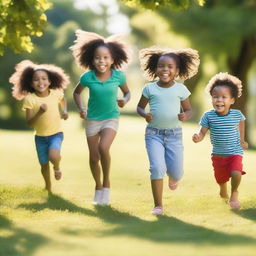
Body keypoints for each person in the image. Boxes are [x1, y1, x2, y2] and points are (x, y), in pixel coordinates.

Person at [137, 46, 200, 215]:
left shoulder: (181, 89)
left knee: (177, 173)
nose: (165, 69)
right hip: (153, 134)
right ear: (155, 68)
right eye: (161, 66)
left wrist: (185, 116)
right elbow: (139, 107)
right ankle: (158, 205)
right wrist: (145, 114)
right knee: (157, 168)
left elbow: (189, 110)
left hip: (174, 136)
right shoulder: (149, 89)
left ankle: (174, 178)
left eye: (170, 66)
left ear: (177, 70)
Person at [70, 30, 131, 205]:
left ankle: (107, 184)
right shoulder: (87, 77)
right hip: (92, 120)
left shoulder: (118, 76)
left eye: (105, 57)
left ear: (112, 60)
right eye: (98, 57)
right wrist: (81, 108)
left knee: (104, 148)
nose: (101, 61)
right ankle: (97, 186)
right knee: (94, 156)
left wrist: (124, 100)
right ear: (92, 59)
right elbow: (76, 93)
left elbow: (127, 93)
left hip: (111, 118)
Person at [9, 60, 69, 192]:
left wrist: (64, 111)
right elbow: (29, 122)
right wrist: (40, 113)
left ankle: (57, 167)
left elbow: (63, 99)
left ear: (50, 81)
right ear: (30, 83)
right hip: (40, 138)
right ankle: (48, 186)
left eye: (44, 79)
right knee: (43, 165)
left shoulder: (55, 94)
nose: (40, 82)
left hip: (56, 134)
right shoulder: (30, 99)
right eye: (36, 79)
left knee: (53, 156)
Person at [192, 72, 248, 209]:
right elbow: (202, 131)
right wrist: (198, 137)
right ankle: (223, 189)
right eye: (215, 97)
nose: (219, 100)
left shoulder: (236, 114)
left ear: (232, 100)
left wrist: (242, 140)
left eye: (224, 97)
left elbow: (241, 122)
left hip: (235, 152)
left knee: (236, 172)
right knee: (220, 178)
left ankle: (234, 193)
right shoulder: (208, 116)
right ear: (211, 98)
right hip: (218, 155)